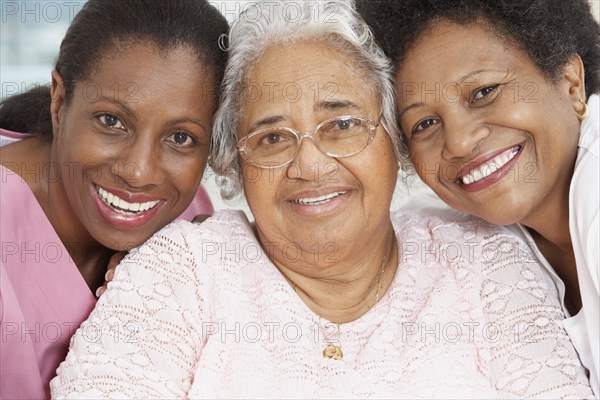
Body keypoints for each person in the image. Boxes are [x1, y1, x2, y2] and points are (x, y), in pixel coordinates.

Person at [51, 1, 594, 398]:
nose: (308, 165)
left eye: (341, 124)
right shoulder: (184, 270)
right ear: (235, 166)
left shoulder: (484, 256)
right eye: (271, 138)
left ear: (394, 143)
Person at [357, 0, 600, 394]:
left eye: (484, 91)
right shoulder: (475, 238)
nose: (459, 141)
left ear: (571, 82)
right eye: (425, 123)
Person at [0, 0, 228, 398]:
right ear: (59, 100)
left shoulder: (189, 219)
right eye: (111, 121)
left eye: (180, 138)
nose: (139, 172)